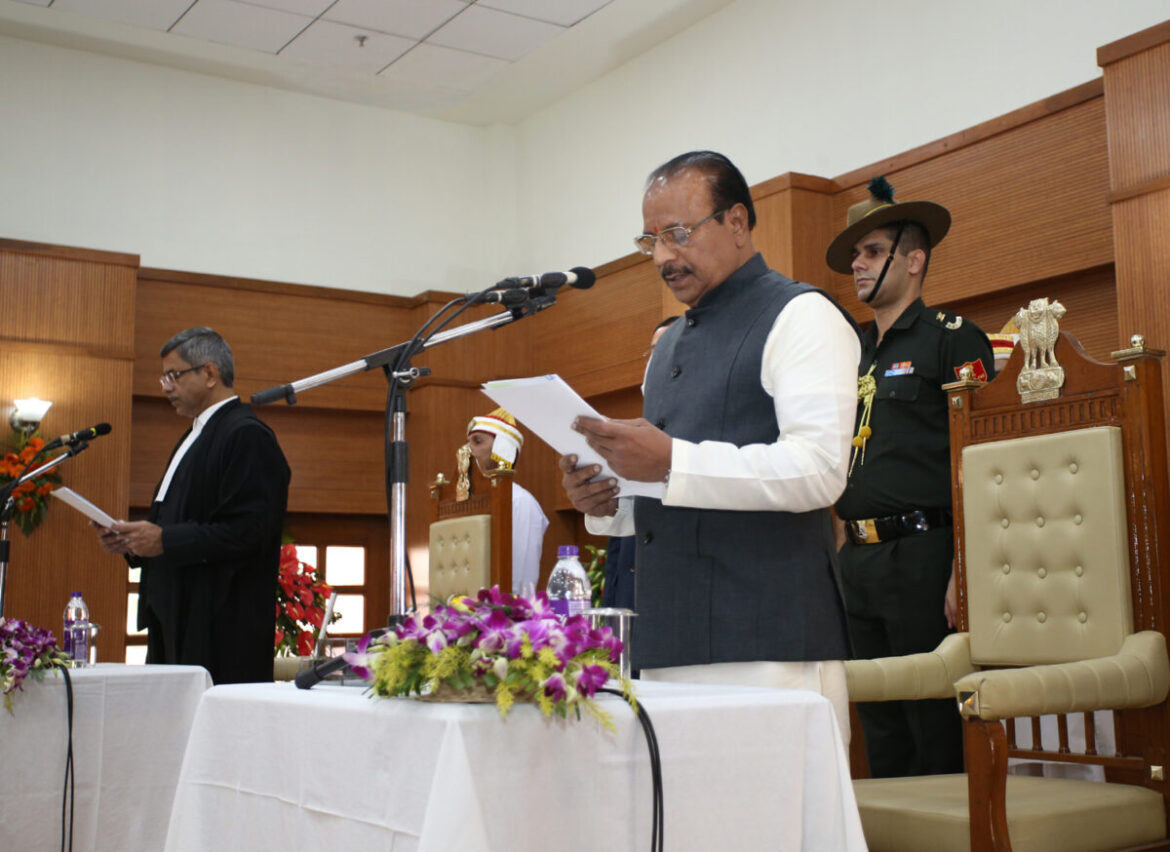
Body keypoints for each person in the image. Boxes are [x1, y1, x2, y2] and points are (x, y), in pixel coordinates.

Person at [559, 150, 861, 738]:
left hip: (767, 644)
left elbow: (821, 470)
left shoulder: (801, 315)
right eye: (651, 241)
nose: (665, 257)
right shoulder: (667, 344)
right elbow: (671, 488)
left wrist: (669, 459)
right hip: (668, 638)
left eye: (678, 234)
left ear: (739, 222)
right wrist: (609, 499)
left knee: (772, 828)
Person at [826, 177, 994, 777]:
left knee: (934, 725)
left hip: (926, 553)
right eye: (855, 256)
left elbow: (981, 458)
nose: (859, 265)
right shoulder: (850, 351)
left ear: (914, 259)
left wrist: (964, 568)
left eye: (872, 251)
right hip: (859, 560)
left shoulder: (952, 340)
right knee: (878, 723)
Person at [95, 327, 290, 684]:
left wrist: (164, 541)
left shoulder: (246, 435)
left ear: (210, 373)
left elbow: (248, 532)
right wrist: (135, 542)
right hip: (172, 617)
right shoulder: (193, 435)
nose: (165, 386)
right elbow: (175, 521)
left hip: (219, 630)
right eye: (163, 377)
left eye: (173, 375)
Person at [603, 315, 679, 611]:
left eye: (666, 349)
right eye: (652, 352)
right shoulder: (632, 434)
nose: (655, 362)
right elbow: (617, 547)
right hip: (628, 602)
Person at [466, 407, 549, 596]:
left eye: (477, 441)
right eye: (468, 443)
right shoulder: (467, 501)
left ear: (502, 448)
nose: (468, 450)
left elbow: (519, 578)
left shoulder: (520, 501)